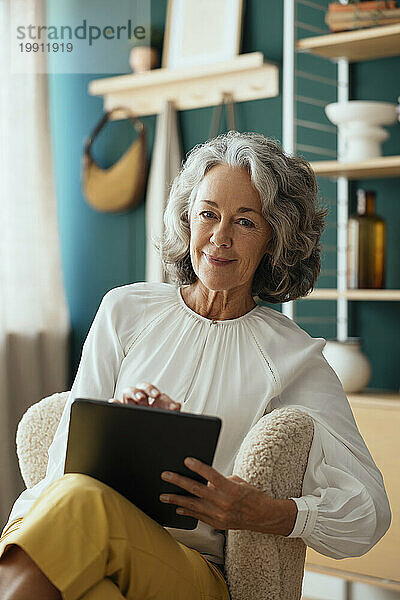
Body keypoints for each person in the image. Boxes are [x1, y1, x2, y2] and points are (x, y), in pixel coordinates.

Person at [0, 131, 391, 600]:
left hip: (189, 569)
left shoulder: (293, 357)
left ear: (274, 238)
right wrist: (120, 429)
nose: (219, 237)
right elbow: (64, 458)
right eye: (208, 214)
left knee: (75, 507)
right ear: (187, 218)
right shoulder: (124, 311)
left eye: (245, 222)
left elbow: (370, 513)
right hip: (84, 530)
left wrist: (263, 512)